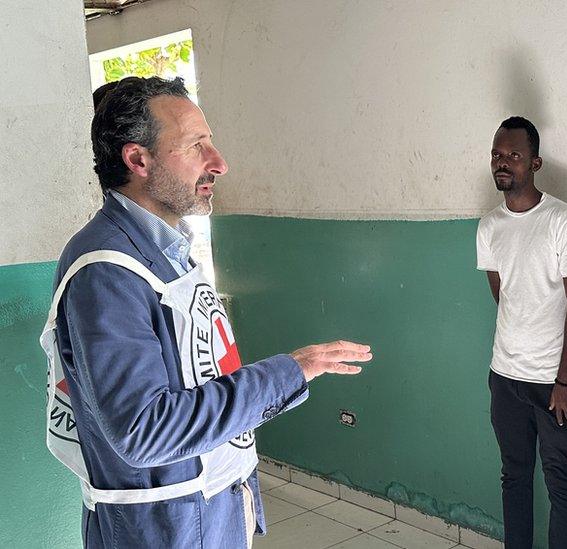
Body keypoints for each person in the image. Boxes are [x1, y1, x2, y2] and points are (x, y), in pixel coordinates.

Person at [42, 76, 373, 548]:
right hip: (164, 530)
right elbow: (144, 430)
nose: (218, 163)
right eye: (196, 146)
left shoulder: (165, 250)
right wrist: (289, 371)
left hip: (207, 510)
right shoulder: (107, 271)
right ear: (138, 160)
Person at [476, 116, 567, 548]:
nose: (504, 163)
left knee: (562, 482)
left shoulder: (561, 218)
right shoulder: (490, 226)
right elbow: (503, 297)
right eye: (498, 155)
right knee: (514, 476)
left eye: (514, 156)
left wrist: (565, 380)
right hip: (504, 376)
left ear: (535, 162)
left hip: (552, 383)